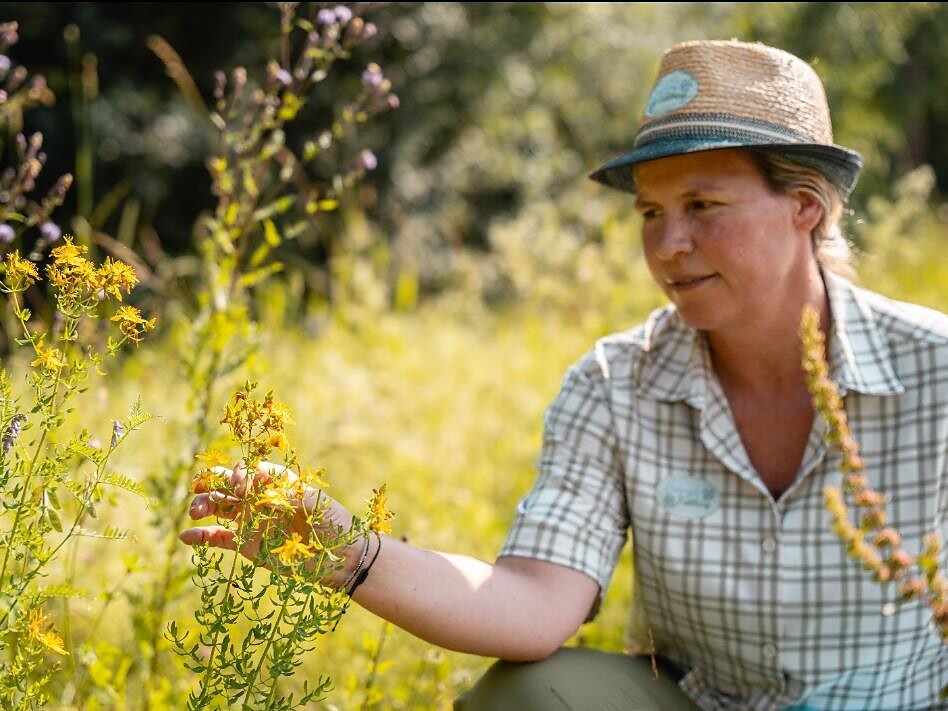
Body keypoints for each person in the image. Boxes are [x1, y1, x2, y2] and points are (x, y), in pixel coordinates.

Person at [181, 39, 948, 710]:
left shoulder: (935, 368)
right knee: (530, 692)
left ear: (805, 207)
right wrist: (351, 553)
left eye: (703, 203)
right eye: (650, 213)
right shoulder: (615, 382)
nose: (669, 244)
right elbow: (532, 603)